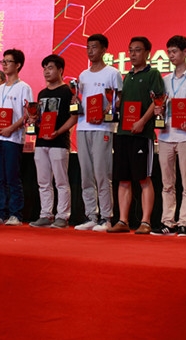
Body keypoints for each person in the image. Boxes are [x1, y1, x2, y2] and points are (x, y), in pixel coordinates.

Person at [107, 36, 164, 234]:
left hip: (142, 134)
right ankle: (123, 220)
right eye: (130, 50)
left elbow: (157, 101)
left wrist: (142, 122)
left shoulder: (153, 74)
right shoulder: (128, 77)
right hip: (123, 133)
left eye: (137, 50)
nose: (132, 54)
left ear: (147, 52)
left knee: (143, 178)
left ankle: (145, 221)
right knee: (123, 179)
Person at [151, 35, 186, 237]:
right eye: (169, 52)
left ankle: (184, 222)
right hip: (165, 135)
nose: (171, 55)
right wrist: (158, 110)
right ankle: (168, 222)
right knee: (167, 183)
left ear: (185, 52)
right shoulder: (164, 80)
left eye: (174, 51)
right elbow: (160, 105)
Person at [73, 34, 123, 232]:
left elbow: (118, 100)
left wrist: (104, 113)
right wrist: (75, 102)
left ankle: (106, 217)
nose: (90, 51)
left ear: (104, 50)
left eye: (94, 47)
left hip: (103, 128)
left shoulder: (112, 73)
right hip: (83, 126)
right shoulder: (83, 75)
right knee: (86, 174)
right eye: (88, 47)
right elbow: (80, 99)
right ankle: (91, 215)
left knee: (102, 173)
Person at [29, 54, 78, 228]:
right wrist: (33, 119)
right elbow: (39, 118)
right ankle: (45, 214)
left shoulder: (68, 92)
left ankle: (62, 216)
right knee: (43, 182)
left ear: (60, 70)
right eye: (44, 68)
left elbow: (74, 117)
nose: (46, 72)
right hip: (41, 142)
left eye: (50, 68)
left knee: (61, 181)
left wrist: (58, 132)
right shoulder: (42, 93)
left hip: (59, 142)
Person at [0, 49, 33, 226]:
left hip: (13, 139)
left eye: (8, 61)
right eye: (3, 61)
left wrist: (11, 128)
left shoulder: (24, 88)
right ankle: (0, 213)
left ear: (18, 65)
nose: (4, 65)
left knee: (12, 177)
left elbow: (28, 113)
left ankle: (16, 214)